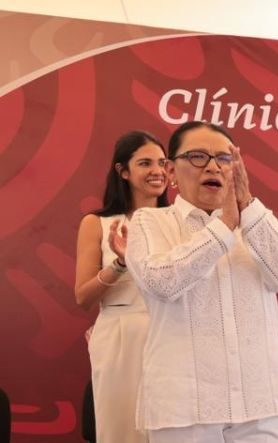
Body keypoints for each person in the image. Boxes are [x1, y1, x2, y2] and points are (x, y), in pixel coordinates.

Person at [126, 121, 278, 443]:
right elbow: (162, 283)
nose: (212, 166)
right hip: (184, 408)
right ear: (170, 170)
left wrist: (247, 208)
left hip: (261, 403)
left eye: (224, 158)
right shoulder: (149, 221)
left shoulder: (257, 221)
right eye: (197, 156)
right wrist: (224, 228)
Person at [73, 130, 170, 442]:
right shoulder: (97, 223)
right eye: (145, 163)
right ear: (123, 171)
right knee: (122, 430)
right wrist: (119, 264)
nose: (157, 171)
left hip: (173, 334)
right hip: (119, 336)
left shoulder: (180, 222)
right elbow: (83, 297)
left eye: (162, 163)